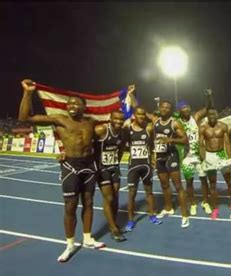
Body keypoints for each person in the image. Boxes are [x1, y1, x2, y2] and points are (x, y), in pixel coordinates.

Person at [18, 79, 105, 262]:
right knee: (70, 206)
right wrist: (28, 93)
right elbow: (25, 118)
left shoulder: (91, 122)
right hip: (71, 166)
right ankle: (70, 244)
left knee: (88, 203)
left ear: (84, 106)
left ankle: (88, 238)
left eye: (76, 103)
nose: (72, 105)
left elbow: (112, 125)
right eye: (69, 103)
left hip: (89, 166)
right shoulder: (60, 119)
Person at [153, 99, 190, 228]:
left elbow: (185, 139)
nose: (165, 109)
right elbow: (137, 108)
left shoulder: (174, 123)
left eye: (168, 108)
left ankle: (185, 214)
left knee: (178, 186)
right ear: (159, 108)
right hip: (159, 157)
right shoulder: (155, 121)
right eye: (163, 107)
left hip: (171, 156)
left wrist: (170, 139)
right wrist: (131, 95)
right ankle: (169, 208)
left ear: (171, 110)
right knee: (164, 185)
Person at [124, 107, 162, 232]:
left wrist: (153, 157)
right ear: (134, 115)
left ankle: (152, 215)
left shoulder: (148, 128)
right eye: (138, 114)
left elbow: (151, 145)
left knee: (149, 192)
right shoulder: (127, 128)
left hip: (146, 166)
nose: (141, 116)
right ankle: (130, 220)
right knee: (132, 194)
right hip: (133, 166)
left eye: (143, 114)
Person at [199, 108, 231, 219]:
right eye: (209, 114)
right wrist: (203, 159)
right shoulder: (203, 127)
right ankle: (215, 208)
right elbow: (201, 144)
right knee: (212, 185)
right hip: (209, 156)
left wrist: (230, 157)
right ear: (207, 115)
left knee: (229, 182)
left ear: (217, 114)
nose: (212, 115)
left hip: (222, 155)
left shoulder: (223, 126)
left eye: (214, 113)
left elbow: (227, 142)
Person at [176, 90, 213, 216]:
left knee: (203, 180)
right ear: (179, 110)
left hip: (199, 155)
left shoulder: (195, 117)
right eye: (183, 108)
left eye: (187, 107)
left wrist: (208, 97)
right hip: (186, 157)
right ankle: (192, 203)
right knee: (189, 181)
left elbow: (207, 108)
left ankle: (205, 202)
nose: (186, 109)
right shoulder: (177, 123)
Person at [94, 109, 127, 241]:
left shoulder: (123, 132)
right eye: (116, 118)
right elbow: (85, 140)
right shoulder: (102, 130)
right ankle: (113, 228)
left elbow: (122, 147)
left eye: (121, 119)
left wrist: (116, 162)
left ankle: (113, 220)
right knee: (109, 198)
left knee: (116, 196)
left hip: (114, 167)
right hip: (102, 169)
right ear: (110, 118)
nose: (119, 121)